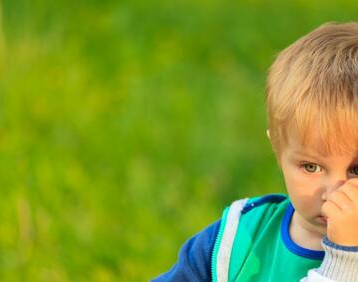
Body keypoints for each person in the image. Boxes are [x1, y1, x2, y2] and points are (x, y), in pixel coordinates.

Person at [152, 21, 358, 281]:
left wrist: (346, 259)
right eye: (311, 167)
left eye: (357, 170)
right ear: (278, 149)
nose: (333, 194)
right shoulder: (239, 237)